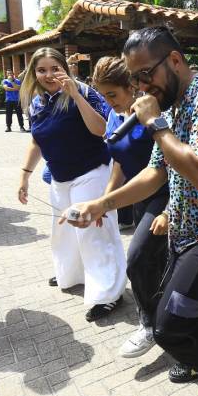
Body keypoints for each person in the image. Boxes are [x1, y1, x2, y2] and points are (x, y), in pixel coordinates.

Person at [67, 26, 198, 396]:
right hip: (186, 226)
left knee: (171, 324)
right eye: (134, 79)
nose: (139, 87)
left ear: (174, 61)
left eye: (143, 74)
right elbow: (156, 173)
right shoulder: (171, 109)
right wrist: (102, 204)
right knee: (172, 311)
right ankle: (196, 357)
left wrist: (155, 122)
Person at [17, 47, 127, 322]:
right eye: (41, 70)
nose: (48, 75)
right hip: (59, 176)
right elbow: (36, 140)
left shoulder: (85, 92)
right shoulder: (37, 102)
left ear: (65, 68)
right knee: (63, 232)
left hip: (91, 172)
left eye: (55, 68)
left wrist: (75, 95)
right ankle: (73, 275)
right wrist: (25, 175)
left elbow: (101, 129)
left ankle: (109, 294)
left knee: (93, 233)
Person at [91, 56, 171, 357]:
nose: (108, 101)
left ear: (132, 87)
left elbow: (171, 163)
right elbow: (120, 162)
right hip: (139, 199)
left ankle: (150, 326)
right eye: (103, 95)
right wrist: (105, 201)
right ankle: (162, 321)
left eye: (113, 94)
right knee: (154, 264)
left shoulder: (152, 113)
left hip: (166, 195)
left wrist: (167, 211)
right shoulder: (115, 117)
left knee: (136, 260)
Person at [2, 68, 26, 132]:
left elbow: (18, 88)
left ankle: (21, 127)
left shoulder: (17, 81)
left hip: (17, 100)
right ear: (6, 75)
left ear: (13, 74)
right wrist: (15, 89)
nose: (9, 74)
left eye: (11, 73)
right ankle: (8, 127)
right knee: (8, 114)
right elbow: (6, 88)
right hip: (8, 100)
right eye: (8, 73)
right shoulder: (5, 81)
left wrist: (12, 82)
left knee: (19, 114)